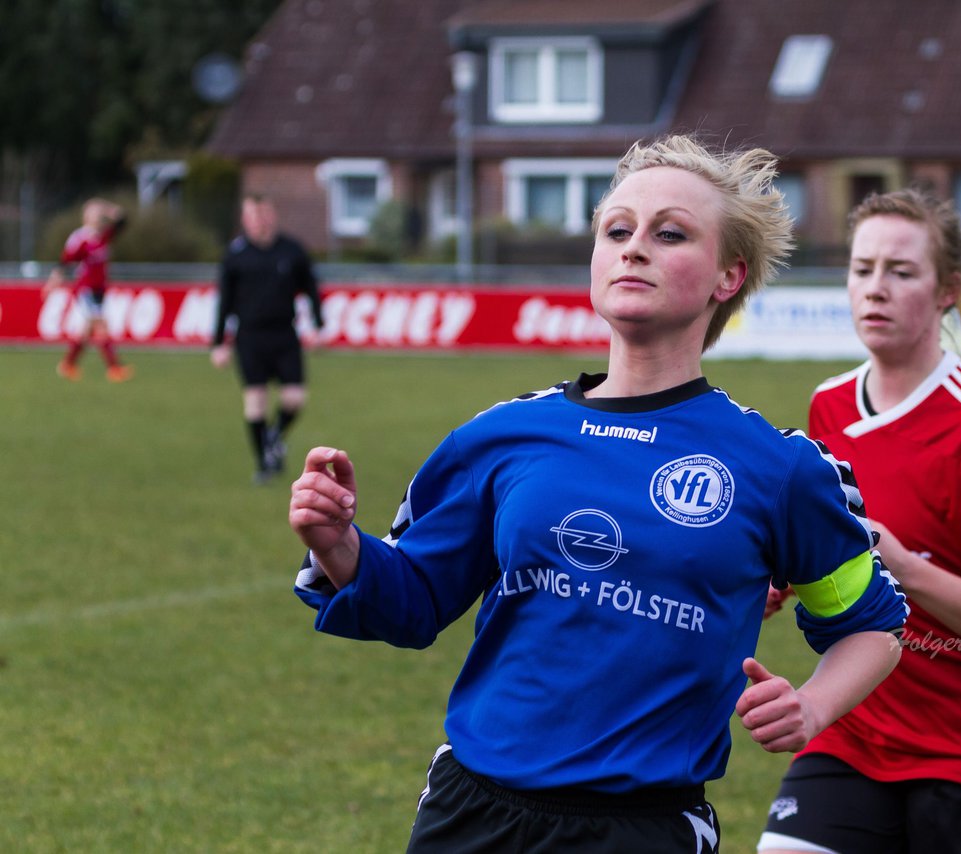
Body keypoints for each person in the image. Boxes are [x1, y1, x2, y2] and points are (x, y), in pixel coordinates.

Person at [287, 135, 908, 853]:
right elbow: (415, 601)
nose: (633, 248)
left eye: (668, 233)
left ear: (727, 276)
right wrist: (340, 546)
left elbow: (871, 624)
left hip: (642, 829)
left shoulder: (781, 470)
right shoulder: (504, 436)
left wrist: (812, 705)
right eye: (617, 230)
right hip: (471, 814)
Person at [758, 189, 961, 854]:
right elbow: (830, 563)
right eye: (862, 269)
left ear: (948, 291)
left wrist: (907, 569)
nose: (875, 289)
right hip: (859, 728)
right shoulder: (829, 406)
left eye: (901, 272)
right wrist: (781, 580)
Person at [211, 193, 324, 485]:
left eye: (263, 214)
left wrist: (317, 324)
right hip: (249, 337)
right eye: (252, 215)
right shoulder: (235, 255)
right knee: (256, 401)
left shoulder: (291, 250)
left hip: (285, 334)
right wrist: (218, 343)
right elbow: (224, 302)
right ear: (245, 219)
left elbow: (311, 287)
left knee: (294, 398)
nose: (259, 221)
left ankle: (273, 437)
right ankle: (264, 463)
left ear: (272, 216)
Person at [43, 197, 133, 382]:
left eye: (100, 213)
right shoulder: (80, 237)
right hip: (85, 289)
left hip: (100, 289)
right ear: (85, 216)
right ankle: (114, 368)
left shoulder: (103, 236)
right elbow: (65, 261)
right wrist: (53, 281)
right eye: (94, 212)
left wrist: (108, 208)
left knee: (86, 331)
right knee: (101, 325)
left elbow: (123, 221)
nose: (98, 215)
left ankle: (68, 365)